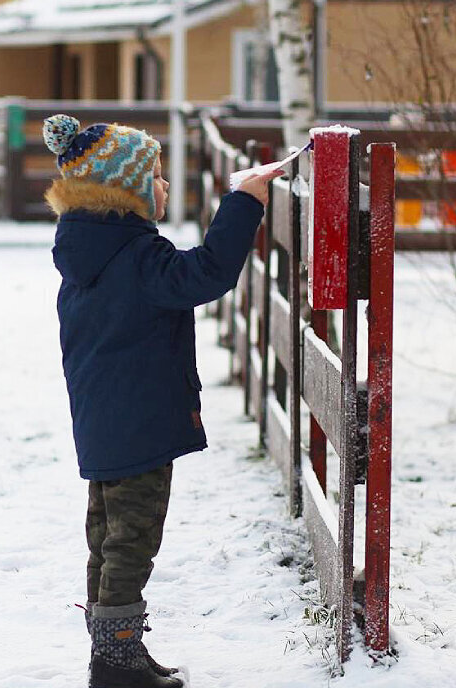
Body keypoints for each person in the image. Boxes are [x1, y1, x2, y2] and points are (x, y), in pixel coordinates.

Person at [43, 114, 282, 688]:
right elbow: (208, 272)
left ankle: (114, 653)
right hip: (140, 423)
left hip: (105, 421)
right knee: (133, 539)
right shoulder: (137, 257)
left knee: (108, 535)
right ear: (123, 188)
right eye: (155, 176)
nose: (167, 187)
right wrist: (245, 202)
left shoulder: (86, 256)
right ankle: (118, 663)